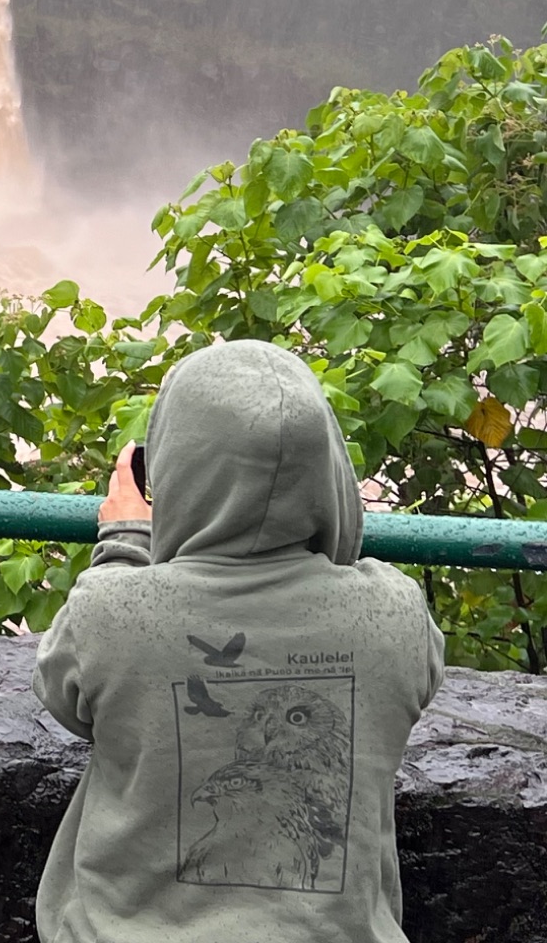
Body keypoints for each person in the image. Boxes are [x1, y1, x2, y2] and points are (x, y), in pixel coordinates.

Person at [32, 339, 445, 942]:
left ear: (175, 468)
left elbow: (62, 694)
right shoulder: (396, 613)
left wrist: (125, 542)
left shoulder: (110, 609)